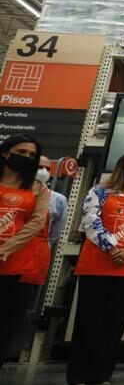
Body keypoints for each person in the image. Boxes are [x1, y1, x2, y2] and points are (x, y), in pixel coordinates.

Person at [67, 153, 124, 385]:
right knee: (89, 318)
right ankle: (78, 374)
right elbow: (90, 221)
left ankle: (102, 373)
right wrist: (112, 247)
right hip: (98, 262)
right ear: (121, 167)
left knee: (115, 321)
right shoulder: (99, 191)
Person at [0, 135, 49, 367]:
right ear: (5, 152)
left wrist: (6, 248)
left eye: (31, 155)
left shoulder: (38, 188)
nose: (27, 157)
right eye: (21, 152)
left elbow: (37, 222)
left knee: (6, 323)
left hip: (14, 263)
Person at [37, 156, 67, 249]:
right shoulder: (14, 193)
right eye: (40, 167)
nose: (44, 171)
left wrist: (45, 244)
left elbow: (57, 229)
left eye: (48, 169)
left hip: (39, 248)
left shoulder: (59, 200)